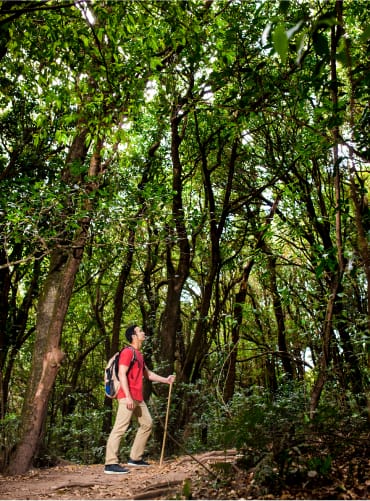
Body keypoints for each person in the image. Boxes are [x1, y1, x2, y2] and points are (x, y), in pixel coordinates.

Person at [104, 324, 176, 474]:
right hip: (127, 397)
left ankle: (135, 458)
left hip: (137, 397)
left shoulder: (139, 355)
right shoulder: (127, 352)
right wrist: (128, 397)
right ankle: (110, 464)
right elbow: (122, 374)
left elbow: (148, 374)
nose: (143, 333)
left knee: (147, 423)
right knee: (119, 428)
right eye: (140, 331)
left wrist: (166, 379)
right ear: (133, 336)